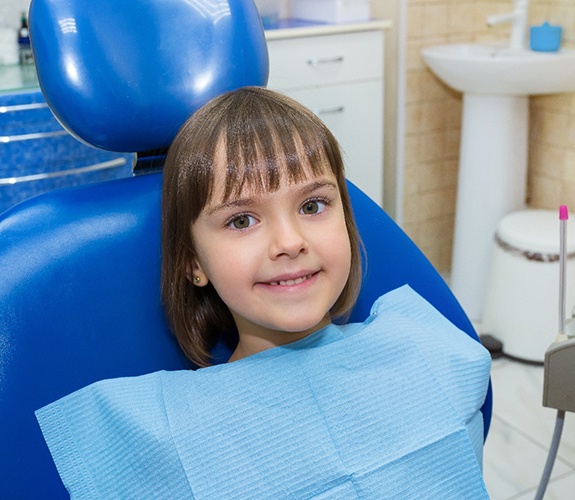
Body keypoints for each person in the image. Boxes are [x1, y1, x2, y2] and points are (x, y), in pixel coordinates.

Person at [36, 87, 491, 498]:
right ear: (194, 264)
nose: (290, 242)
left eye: (313, 205)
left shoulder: (424, 351)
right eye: (241, 220)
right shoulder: (163, 435)